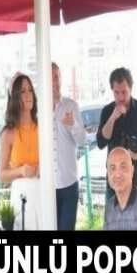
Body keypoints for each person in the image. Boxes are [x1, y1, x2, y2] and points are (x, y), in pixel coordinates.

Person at [96, 67, 137, 192]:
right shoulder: (107, 111)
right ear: (112, 90)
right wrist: (113, 117)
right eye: (116, 93)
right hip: (115, 182)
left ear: (131, 88)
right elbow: (101, 142)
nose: (120, 97)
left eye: (124, 92)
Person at [0, 73, 41, 230]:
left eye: (30, 90)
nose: (28, 95)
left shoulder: (42, 127)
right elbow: (2, 175)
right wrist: (21, 171)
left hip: (42, 192)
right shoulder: (8, 133)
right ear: (15, 97)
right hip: (22, 195)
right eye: (23, 91)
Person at [52, 62, 87, 230]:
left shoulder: (71, 106)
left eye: (56, 76)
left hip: (68, 182)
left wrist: (73, 124)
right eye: (50, 77)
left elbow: (82, 140)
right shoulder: (38, 110)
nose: (54, 81)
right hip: (47, 186)